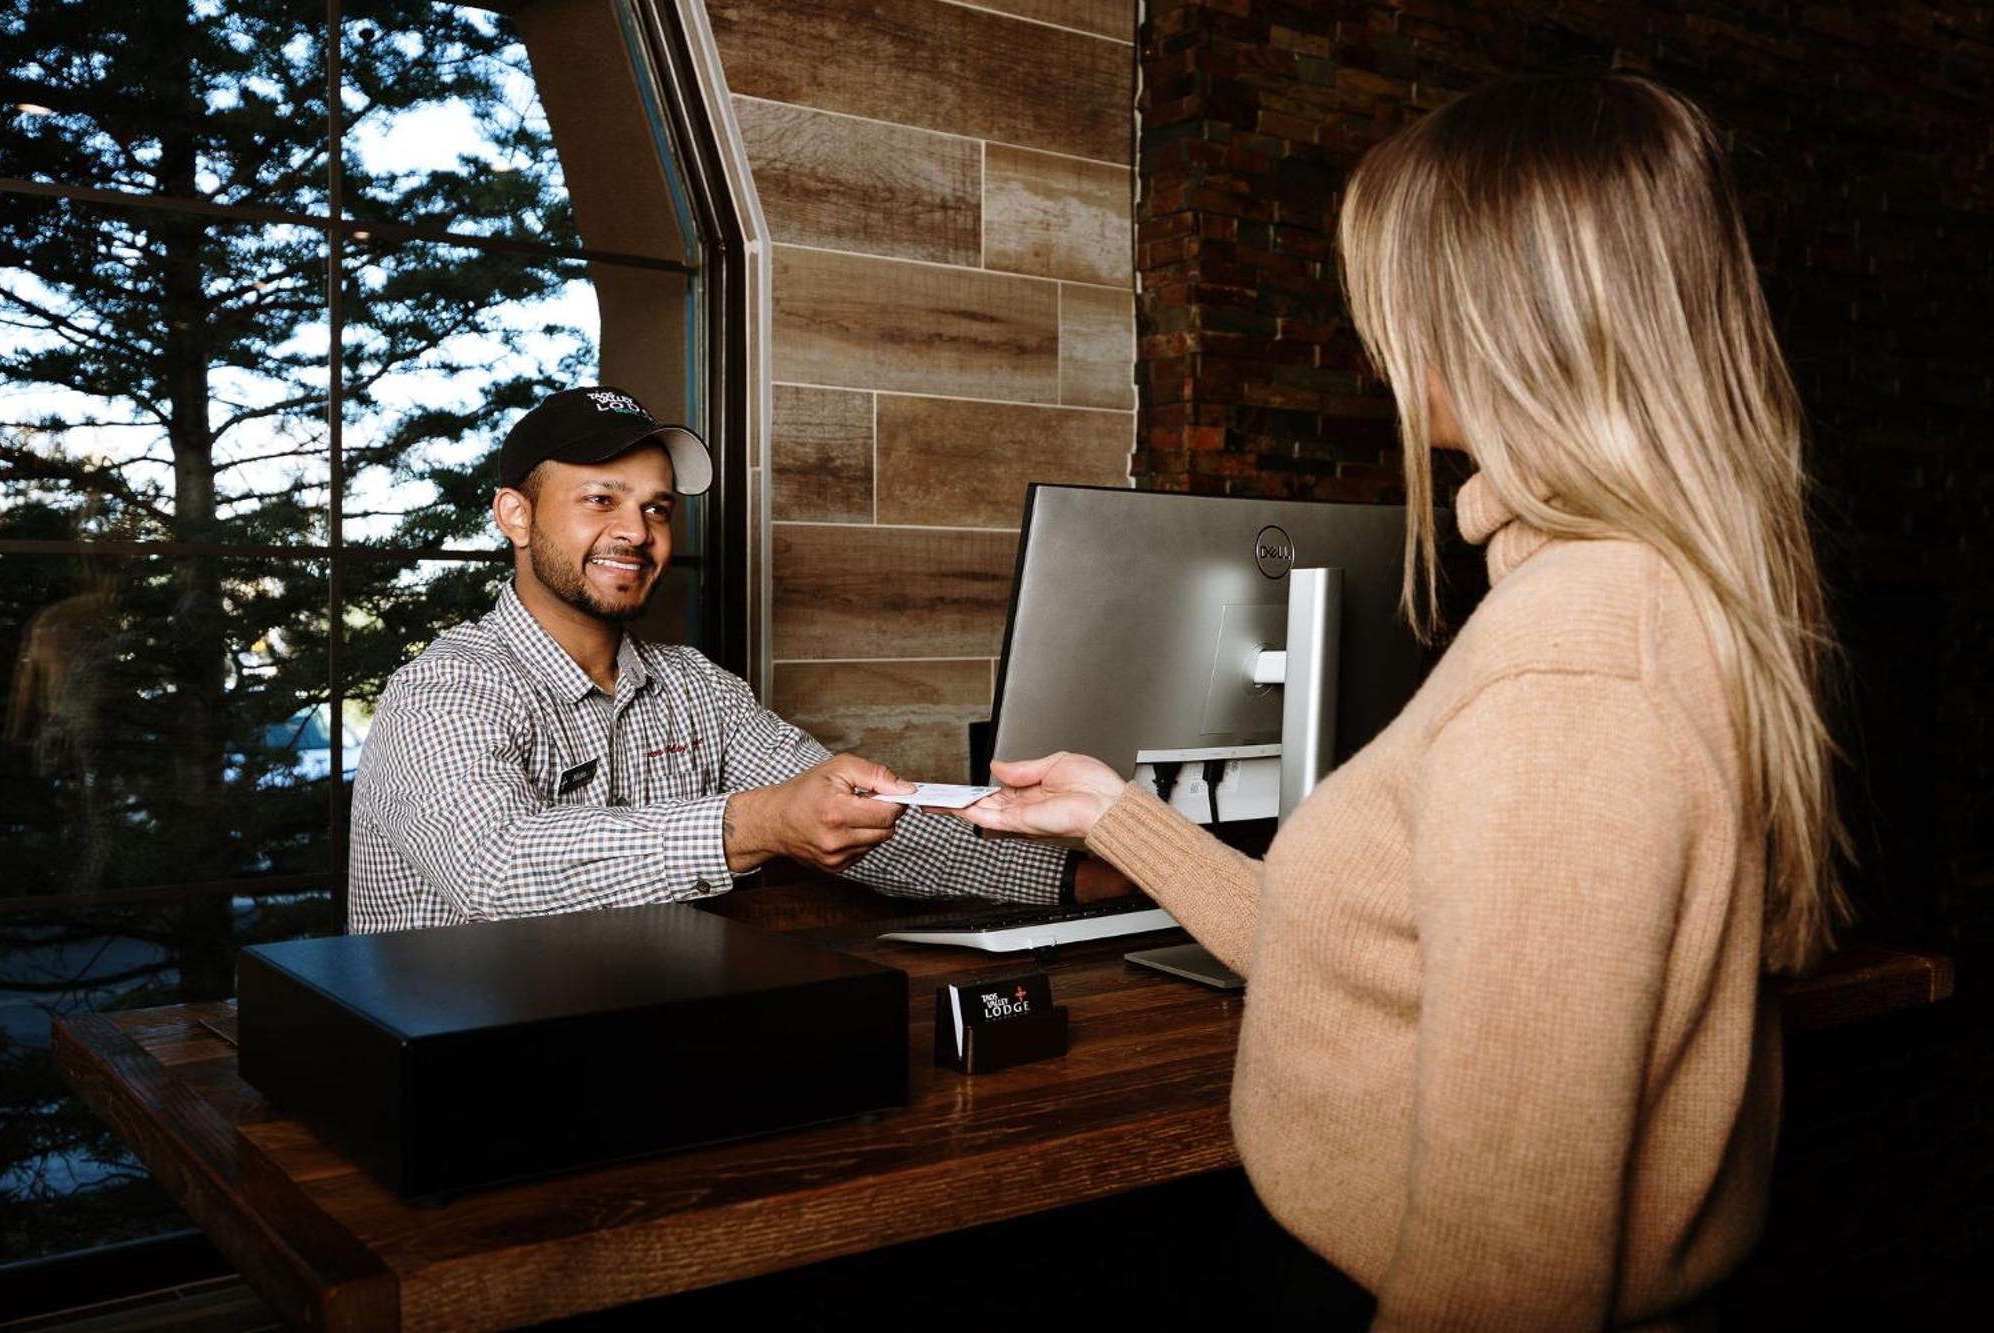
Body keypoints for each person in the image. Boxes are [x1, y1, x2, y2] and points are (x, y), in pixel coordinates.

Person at [953, 75, 1848, 1329]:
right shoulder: (1635, 597)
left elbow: (1510, 1267)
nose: (1376, 330)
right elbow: (1371, 962)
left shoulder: (1569, 675)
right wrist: (1118, 817)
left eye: (1392, 283)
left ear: (1491, 313)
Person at [349, 385, 1127, 932]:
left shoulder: (695, 688)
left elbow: (859, 818)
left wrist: (1079, 880)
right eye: (600, 499)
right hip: (466, 1068)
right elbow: (497, 869)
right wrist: (755, 823)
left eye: (656, 508)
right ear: (514, 516)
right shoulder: (445, 690)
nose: (636, 531)